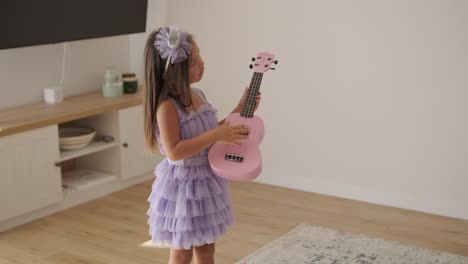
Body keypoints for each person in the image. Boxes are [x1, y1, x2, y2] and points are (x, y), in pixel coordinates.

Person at [143, 25, 261, 264]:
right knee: (182, 252)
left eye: (199, 56)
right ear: (174, 72)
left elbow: (210, 130)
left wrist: (240, 109)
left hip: (205, 181)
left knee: (207, 249)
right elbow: (175, 151)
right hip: (183, 186)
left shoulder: (198, 94)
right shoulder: (167, 107)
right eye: (195, 61)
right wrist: (217, 135)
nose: (203, 63)